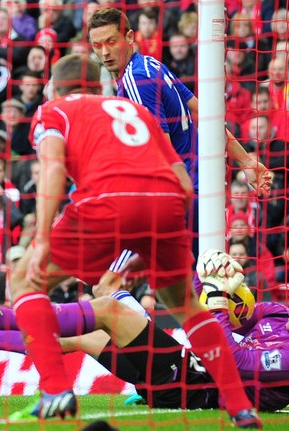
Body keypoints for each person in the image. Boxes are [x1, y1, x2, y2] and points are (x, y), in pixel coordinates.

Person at [1, 53, 261, 427]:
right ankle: (239, 406)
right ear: (99, 84)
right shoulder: (132, 109)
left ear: (55, 87)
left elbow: (53, 167)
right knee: (186, 305)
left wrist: (40, 236)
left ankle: (56, 389)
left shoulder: (52, 111)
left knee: (25, 278)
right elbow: (184, 182)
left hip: (105, 200)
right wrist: (155, 245)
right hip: (168, 203)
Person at [0, 254, 289, 415]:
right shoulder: (281, 314)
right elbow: (246, 317)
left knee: (111, 307)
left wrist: (215, 300)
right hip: (182, 370)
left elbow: (236, 361)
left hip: (192, 389)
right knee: (81, 338)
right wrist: (232, 286)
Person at [87, 8, 272, 260]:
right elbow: (206, 116)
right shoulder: (152, 65)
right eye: (98, 45)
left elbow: (160, 151)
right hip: (199, 191)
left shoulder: (136, 79)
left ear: (129, 37)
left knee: (110, 277)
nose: (105, 52)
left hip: (180, 198)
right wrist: (246, 161)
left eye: (111, 41)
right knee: (199, 285)